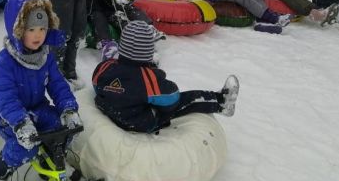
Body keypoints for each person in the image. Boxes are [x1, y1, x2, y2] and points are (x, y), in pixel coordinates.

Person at [0, 0, 81, 181]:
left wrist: (68, 109)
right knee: (26, 145)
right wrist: (20, 122)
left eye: (42, 28)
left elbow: (57, 84)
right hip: (7, 115)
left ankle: (50, 163)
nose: (38, 34)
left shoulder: (44, 57)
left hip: (37, 108)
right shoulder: (4, 61)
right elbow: (5, 97)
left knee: (59, 129)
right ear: (18, 30)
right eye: (31, 29)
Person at [93, 21, 239, 133]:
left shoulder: (106, 67)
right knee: (183, 100)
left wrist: (120, 92)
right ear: (147, 51)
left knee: (140, 96)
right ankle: (221, 102)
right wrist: (157, 77)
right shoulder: (147, 78)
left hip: (113, 111)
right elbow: (172, 98)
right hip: (137, 122)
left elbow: (96, 83)